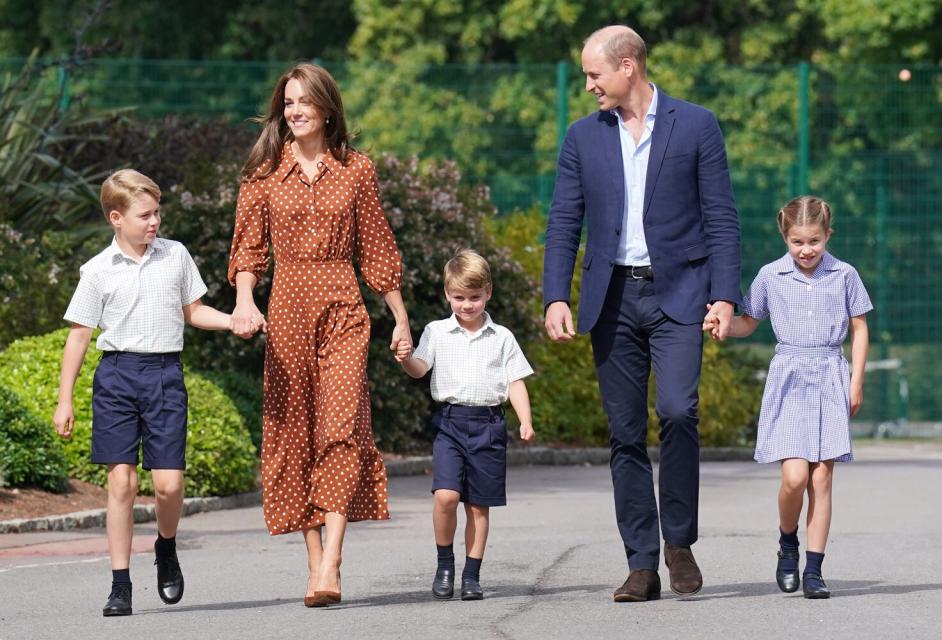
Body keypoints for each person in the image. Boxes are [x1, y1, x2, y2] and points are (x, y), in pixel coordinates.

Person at [543, 25, 742, 602]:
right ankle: (642, 562)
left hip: (679, 293)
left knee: (679, 412)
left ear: (628, 66)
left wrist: (724, 295)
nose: (587, 86)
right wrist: (556, 295)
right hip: (611, 299)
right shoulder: (583, 138)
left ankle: (679, 542)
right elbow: (563, 222)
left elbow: (721, 217)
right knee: (625, 433)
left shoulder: (697, 125)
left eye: (594, 74)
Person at [227, 62, 412, 607]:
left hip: (343, 310)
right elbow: (249, 249)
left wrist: (400, 316)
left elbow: (376, 247)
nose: (296, 110)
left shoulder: (357, 170)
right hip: (285, 311)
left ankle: (332, 557)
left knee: (340, 424)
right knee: (294, 436)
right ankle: (314, 566)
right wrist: (243, 300)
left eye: (305, 101)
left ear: (328, 108)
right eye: (288, 103)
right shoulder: (262, 173)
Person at [53, 169, 233, 616]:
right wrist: (64, 398)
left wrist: (233, 320)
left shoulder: (175, 256)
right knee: (122, 482)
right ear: (117, 218)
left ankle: (166, 548)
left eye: (157, 213)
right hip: (116, 376)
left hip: (164, 374)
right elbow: (78, 337)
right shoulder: (96, 271)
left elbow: (195, 311)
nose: (155, 222)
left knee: (169, 486)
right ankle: (120, 586)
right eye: (145, 215)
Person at [703, 195, 871, 599]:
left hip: (831, 374)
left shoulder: (845, 274)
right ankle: (788, 542)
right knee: (794, 478)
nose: (806, 250)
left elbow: (860, 328)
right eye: (797, 242)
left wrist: (856, 381)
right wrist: (722, 324)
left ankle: (814, 569)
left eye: (814, 240)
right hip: (790, 377)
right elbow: (748, 322)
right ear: (785, 237)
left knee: (822, 477)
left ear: (828, 235)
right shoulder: (770, 276)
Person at [396, 249, 535, 601]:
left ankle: (472, 576)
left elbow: (515, 381)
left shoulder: (501, 337)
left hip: (488, 424)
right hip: (451, 423)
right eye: (459, 297)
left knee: (477, 505)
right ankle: (445, 564)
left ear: (488, 292)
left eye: (474, 297)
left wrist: (525, 420)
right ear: (447, 294)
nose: (467, 305)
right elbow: (420, 368)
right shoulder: (437, 332)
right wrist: (405, 359)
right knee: (446, 496)